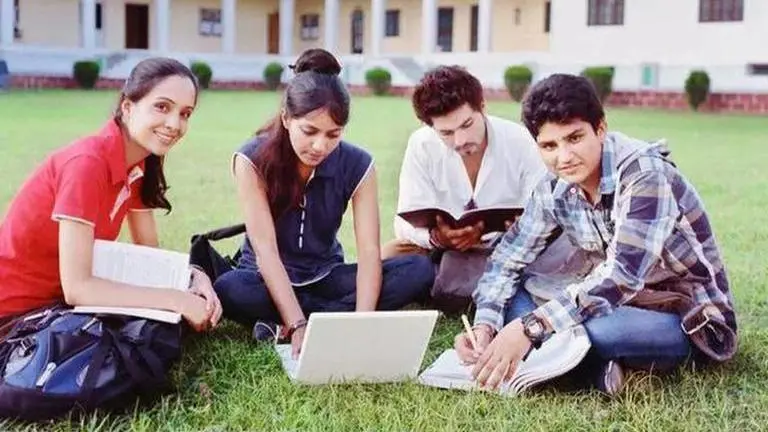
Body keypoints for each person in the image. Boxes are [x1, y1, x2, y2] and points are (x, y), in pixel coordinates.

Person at [454, 73, 738, 396]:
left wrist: (531, 327)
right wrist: (485, 326)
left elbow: (622, 277)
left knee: (599, 328)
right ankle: (598, 367)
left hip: (683, 312)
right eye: (549, 145)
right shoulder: (552, 188)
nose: (563, 157)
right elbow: (507, 259)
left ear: (600, 128)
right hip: (610, 302)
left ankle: (574, 359)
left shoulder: (644, 176)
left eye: (574, 138)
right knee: (516, 289)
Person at [212, 48, 435, 358]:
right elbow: (265, 250)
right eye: (310, 131)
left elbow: (370, 251)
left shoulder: (359, 164)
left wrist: (361, 323)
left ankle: (283, 325)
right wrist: (299, 324)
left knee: (418, 270)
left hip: (326, 276)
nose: (320, 145)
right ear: (286, 118)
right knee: (229, 288)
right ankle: (305, 320)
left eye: (334, 134)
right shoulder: (251, 159)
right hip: (263, 278)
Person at [0, 57, 222, 338]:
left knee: (155, 333)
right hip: (15, 316)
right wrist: (177, 299)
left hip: (58, 308)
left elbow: (149, 254)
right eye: (162, 107)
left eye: (185, 113)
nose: (174, 124)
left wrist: (192, 276)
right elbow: (78, 288)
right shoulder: (87, 164)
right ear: (127, 107)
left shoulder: (138, 165)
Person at [383, 65, 560, 313]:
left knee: (552, 257)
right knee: (387, 256)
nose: (460, 140)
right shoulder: (422, 144)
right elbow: (404, 222)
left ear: (482, 108)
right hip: (438, 248)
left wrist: (519, 229)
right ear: (431, 127)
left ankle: (447, 286)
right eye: (446, 132)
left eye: (467, 124)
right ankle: (447, 282)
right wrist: (437, 237)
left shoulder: (520, 141)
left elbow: (545, 213)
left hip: (505, 248)